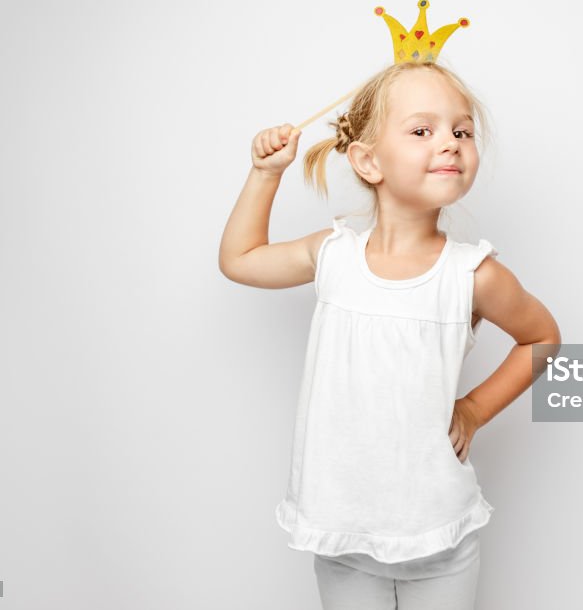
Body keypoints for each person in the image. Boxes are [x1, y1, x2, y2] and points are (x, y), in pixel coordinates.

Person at [219, 60, 561, 609]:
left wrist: (473, 410)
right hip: (343, 530)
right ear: (368, 161)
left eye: (462, 130)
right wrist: (265, 175)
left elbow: (541, 338)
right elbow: (240, 260)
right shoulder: (331, 255)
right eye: (423, 130)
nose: (450, 143)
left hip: (439, 536)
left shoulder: (473, 274)